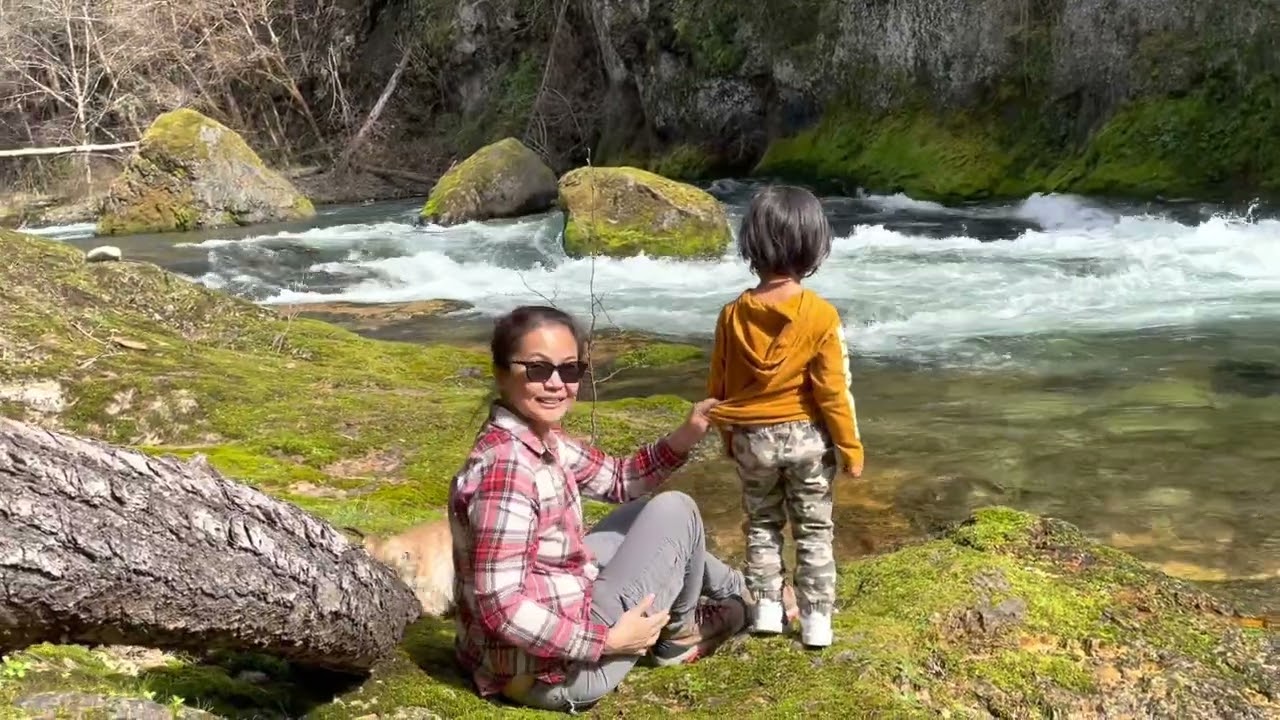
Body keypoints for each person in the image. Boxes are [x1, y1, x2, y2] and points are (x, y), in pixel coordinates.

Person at [449, 304, 753, 713]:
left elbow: (619, 479)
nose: (556, 383)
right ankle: (680, 636)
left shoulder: (539, 438)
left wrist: (688, 433)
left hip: (531, 641)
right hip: (553, 675)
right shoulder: (507, 469)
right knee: (677, 511)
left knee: (639, 515)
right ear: (502, 373)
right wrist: (605, 641)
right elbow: (501, 606)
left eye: (570, 369)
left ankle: (743, 591)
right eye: (538, 369)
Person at [706, 184, 865, 649]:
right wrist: (851, 448)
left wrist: (726, 436)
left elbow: (719, 386)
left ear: (751, 243)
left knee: (761, 524)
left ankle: (768, 612)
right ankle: (817, 621)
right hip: (807, 441)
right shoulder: (820, 315)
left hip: (751, 438)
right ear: (814, 245)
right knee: (814, 528)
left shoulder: (732, 315)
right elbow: (834, 391)